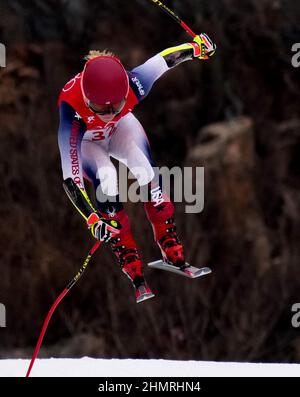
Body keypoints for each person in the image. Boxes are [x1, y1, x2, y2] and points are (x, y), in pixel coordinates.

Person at [57, 33, 216, 303]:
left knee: (146, 172)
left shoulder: (134, 84)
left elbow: (165, 60)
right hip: (88, 143)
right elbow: (71, 177)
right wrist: (92, 218)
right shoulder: (70, 108)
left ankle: (169, 244)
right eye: (99, 107)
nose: (107, 112)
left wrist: (196, 47)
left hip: (120, 130)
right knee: (107, 180)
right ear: (86, 99)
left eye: (115, 105)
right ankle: (128, 255)